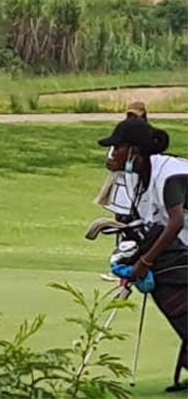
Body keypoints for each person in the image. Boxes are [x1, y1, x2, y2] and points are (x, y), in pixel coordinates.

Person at [98, 118, 188, 393]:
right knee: (170, 289)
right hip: (181, 249)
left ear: (134, 150)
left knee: (173, 288)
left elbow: (175, 223)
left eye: (118, 148)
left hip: (181, 246)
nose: (112, 154)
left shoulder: (170, 175)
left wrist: (145, 262)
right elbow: (139, 222)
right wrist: (130, 262)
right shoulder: (139, 178)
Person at [93, 101, 149, 280]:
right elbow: (110, 161)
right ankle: (119, 265)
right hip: (122, 189)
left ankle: (131, 265)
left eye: (136, 115)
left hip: (139, 191)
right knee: (121, 225)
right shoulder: (121, 135)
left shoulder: (145, 138)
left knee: (135, 227)